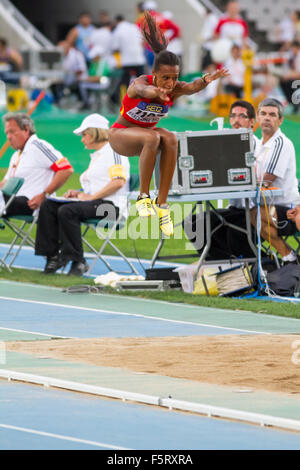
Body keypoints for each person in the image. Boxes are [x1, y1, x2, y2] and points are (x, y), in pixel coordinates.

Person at [108, 11, 229, 237]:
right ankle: (143, 197)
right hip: (120, 135)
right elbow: (144, 90)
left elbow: (192, 87)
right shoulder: (140, 84)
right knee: (152, 136)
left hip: (146, 137)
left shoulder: (174, 87)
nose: (171, 83)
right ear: (154, 74)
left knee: (171, 138)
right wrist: (156, 91)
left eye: (174, 77)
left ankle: (162, 205)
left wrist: (206, 80)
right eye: (165, 78)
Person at [35, 114, 130, 276]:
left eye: (84, 134)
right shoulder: (98, 156)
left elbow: (118, 182)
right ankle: (52, 255)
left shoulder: (115, 152)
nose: (82, 139)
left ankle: (77, 261)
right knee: (48, 204)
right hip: (96, 203)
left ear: (95, 133)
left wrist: (91, 197)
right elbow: (95, 186)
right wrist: (78, 193)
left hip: (111, 207)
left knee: (67, 211)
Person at [250, 98, 300, 264]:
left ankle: (289, 258)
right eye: (263, 114)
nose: (267, 118)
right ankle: (289, 258)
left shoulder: (281, 143)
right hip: (268, 207)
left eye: (272, 115)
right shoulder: (258, 145)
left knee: (254, 213)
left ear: (280, 120)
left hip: (287, 208)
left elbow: (265, 181)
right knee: (251, 215)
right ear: (257, 117)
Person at [0, 113, 73, 217]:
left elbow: (66, 169)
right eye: (7, 133)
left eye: (12, 132)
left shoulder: (38, 147)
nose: (8, 137)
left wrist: (44, 195)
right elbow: (5, 183)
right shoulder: (16, 155)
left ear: (26, 129)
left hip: (31, 203)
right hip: (13, 200)